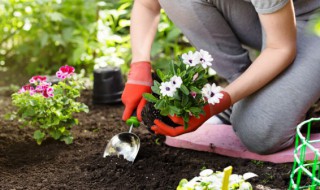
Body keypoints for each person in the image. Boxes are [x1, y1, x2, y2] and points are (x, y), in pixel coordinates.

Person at [121, 0, 320, 154]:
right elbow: (147, 4)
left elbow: (281, 48)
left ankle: (293, 100)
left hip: (313, 21)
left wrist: (218, 103)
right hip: (272, 18)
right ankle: (245, 95)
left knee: (258, 133)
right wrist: (139, 67)